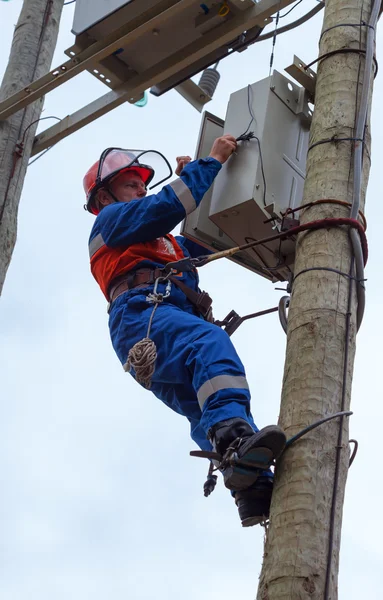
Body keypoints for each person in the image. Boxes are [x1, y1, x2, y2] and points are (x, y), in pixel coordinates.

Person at [84, 136, 286, 527]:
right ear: (104, 198)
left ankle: (252, 489)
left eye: (143, 183)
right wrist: (209, 163)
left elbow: (202, 236)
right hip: (142, 314)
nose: (141, 188)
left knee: (201, 407)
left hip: (156, 317)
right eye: (130, 183)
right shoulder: (109, 223)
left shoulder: (162, 242)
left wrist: (193, 180)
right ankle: (235, 441)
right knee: (209, 344)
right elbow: (165, 208)